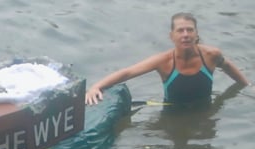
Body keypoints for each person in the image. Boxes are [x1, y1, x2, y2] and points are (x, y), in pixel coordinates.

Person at [85, 12, 249, 106]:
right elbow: (128, 72)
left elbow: (227, 66)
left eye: (190, 30)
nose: (185, 35)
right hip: (173, 112)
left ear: (196, 34)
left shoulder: (211, 55)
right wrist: (96, 86)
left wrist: (247, 85)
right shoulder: (163, 61)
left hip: (205, 110)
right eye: (180, 31)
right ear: (172, 36)